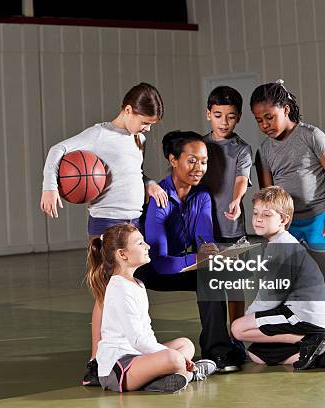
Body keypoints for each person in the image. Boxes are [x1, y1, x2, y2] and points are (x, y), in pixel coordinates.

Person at [39, 83, 169, 386]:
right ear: (127, 110)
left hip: (132, 221)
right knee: (105, 296)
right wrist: (50, 185)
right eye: (145, 122)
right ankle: (96, 362)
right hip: (106, 224)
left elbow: (131, 171)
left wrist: (148, 183)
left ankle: (127, 355)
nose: (147, 129)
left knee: (128, 293)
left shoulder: (137, 138)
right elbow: (57, 150)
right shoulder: (100, 135)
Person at [135, 131, 245, 373]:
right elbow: (160, 262)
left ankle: (217, 352)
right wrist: (199, 258)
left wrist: (216, 254)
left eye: (204, 161)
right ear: (173, 160)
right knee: (206, 267)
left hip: (182, 265)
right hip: (153, 270)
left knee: (211, 275)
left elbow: (205, 242)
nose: (199, 168)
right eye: (192, 160)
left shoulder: (202, 196)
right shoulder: (159, 198)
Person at [251, 79, 325, 336]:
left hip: (317, 219)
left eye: (269, 117)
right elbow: (269, 195)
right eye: (259, 120)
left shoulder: (311, 136)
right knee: (284, 276)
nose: (265, 125)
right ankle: (290, 324)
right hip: (286, 225)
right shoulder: (265, 149)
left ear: (286, 109)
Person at [89, 223, 216, 393]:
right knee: (174, 358)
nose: (147, 246)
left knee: (185, 344)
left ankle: (171, 375)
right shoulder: (119, 288)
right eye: (140, 243)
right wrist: (173, 357)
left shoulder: (138, 284)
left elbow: (146, 335)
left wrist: (162, 355)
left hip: (139, 357)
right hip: (118, 368)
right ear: (122, 254)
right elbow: (137, 341)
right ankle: (189, 374)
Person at [230, 187, 325, 370]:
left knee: (238, 329)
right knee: (257, 354)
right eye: (256, 213)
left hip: (305, 317)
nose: (258, 218)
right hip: (301, 315)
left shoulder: (283, 247)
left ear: (283, 219)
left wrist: (249, 316)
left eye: (267, 215)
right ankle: (322, 355)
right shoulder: (279, 243)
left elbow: (271, 296)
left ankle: (315, 339)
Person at [202, 86, 253, 338]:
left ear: (238, 117)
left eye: (231, 116)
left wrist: (236, 199)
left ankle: (236, 337)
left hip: (232, 232)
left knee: (234, 288)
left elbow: (241, 178)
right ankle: (217, 338)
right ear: (208, 113)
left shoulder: (242, 149)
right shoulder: (199, 146)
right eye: (218, 114)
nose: (224, 121)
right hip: (205, 232)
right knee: (211, 289)